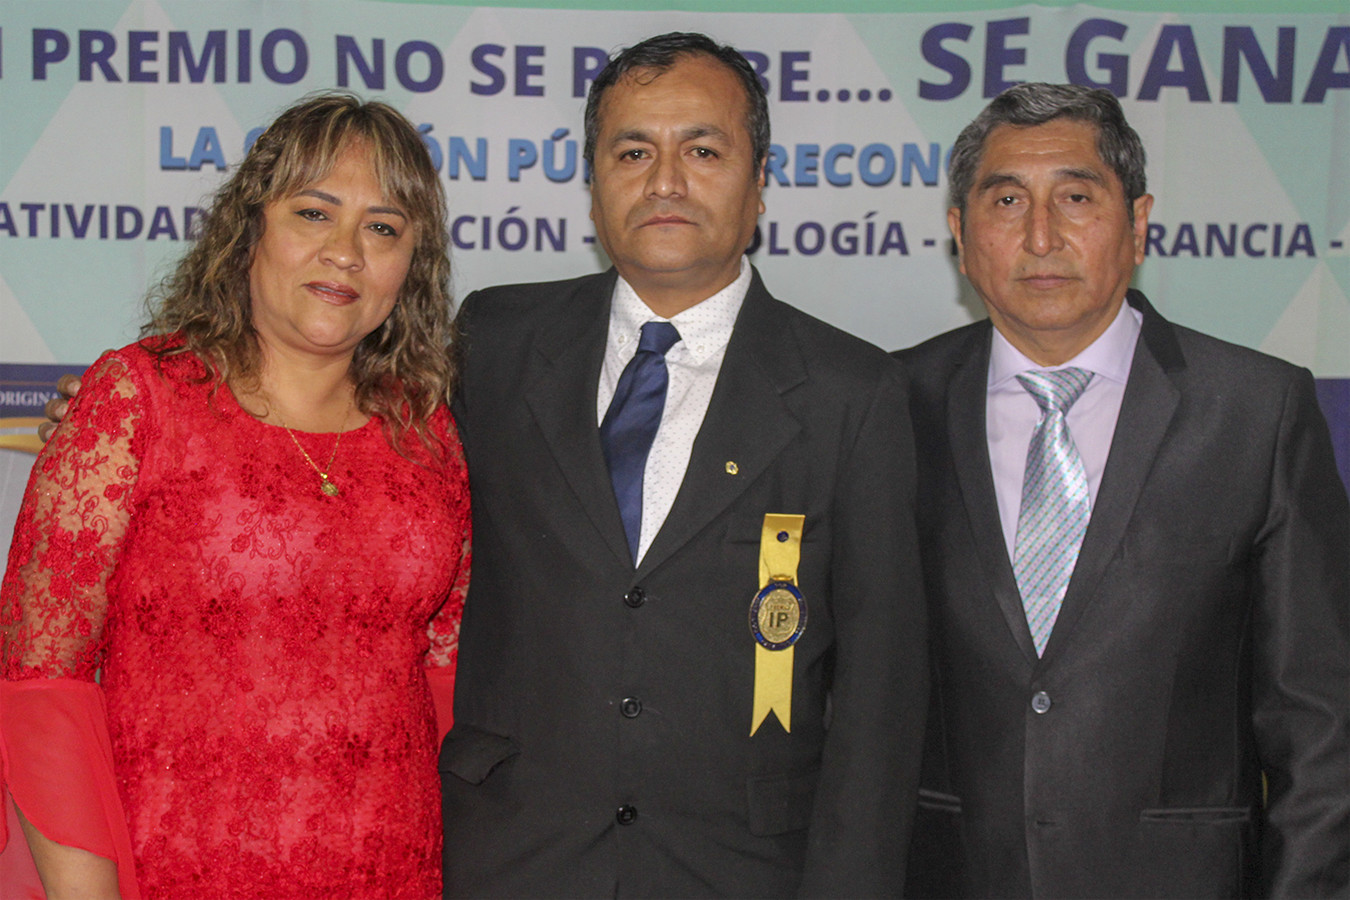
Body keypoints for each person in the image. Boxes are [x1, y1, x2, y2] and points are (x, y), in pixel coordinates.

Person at [438, 32, 927, 897]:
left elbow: (879, 696)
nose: (665, 181)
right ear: (593, 183)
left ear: (760, 180)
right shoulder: (495, 343)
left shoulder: (851, 392)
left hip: (743, 868)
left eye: (702, 150)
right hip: (514, 856)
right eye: (633, 152)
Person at [1, 92, 470, 899]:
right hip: (175, 873)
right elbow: (43, 681)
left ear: (412, 264)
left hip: (399, 873)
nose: (345, 252)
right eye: (314, 213)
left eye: (384, 228)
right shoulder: (140, 400)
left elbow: (448, 679)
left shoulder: (428, 434)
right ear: (250, 228)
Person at [897, 82, 1349, 898]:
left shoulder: (1258, 411)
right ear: (961, 235)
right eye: (1007, 201)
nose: (1041, 236)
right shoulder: (892, 405)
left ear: (1138, 224)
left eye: (1076, 198)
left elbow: (1319, 722)